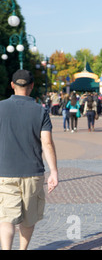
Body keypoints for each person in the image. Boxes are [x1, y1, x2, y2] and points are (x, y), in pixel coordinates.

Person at [0, 70, 58, 250]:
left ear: (12, 85)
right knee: (28, 218)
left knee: (6, 218)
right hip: (32, 173)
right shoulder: (40, 111)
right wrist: (53, 171)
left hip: (4, 172)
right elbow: (47, 143)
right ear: (32, 86)